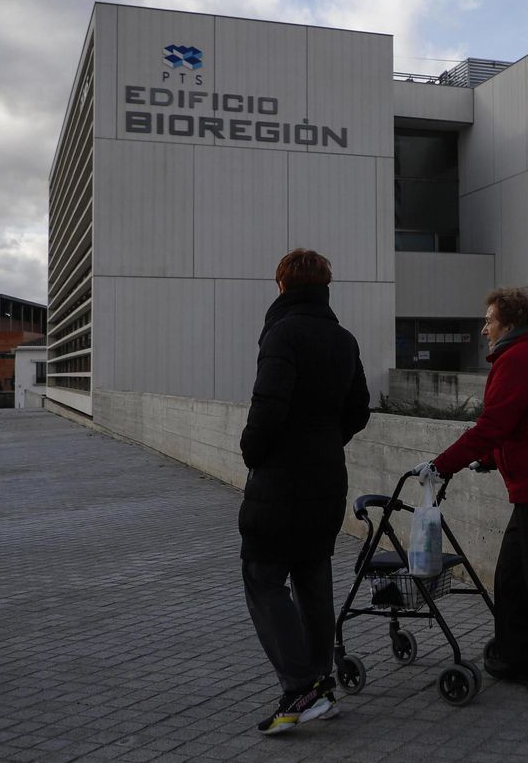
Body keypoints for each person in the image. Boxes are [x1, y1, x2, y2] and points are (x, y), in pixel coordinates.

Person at [417, 287, 528, 699]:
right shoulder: (525, 357)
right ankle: (517, 657)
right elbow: (525, 426)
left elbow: (493, 425)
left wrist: (442, 465)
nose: (484, 329)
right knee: (514, 576)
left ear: (509, 323)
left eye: (489, 320)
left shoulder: (520, 360)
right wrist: (493, 460)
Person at [238, 249, 371, 735]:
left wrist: (253, 450)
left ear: (282, 286)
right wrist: (326, 441)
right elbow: (359, 408)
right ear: (325, 286)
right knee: (313, 579)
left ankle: (299, 688)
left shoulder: (283, 333)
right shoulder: (342, 337)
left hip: (281, 479)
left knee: (263, 574)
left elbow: (268, 405)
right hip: (327, 477)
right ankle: (320, 683)